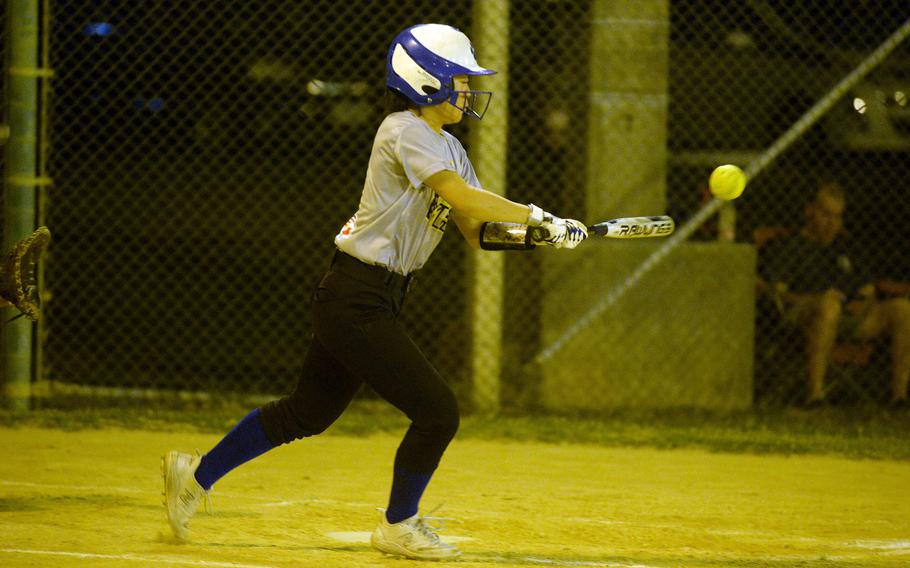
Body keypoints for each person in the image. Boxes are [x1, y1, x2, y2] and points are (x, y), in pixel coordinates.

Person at [161, 23, 587, 561]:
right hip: (355, 296)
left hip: (376, 297)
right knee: (438, 413)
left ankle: (194, 477)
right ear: (425, 80)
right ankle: (399, 525)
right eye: (458, 79)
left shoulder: (452, 149)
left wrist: (540, 236)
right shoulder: (403, 130)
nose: (467, 90)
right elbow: (463, 198)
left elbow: (477, 232)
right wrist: (540, 214)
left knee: (307, 413)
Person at [759, 181, 910, 408]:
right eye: (825, 215)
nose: (832, 223)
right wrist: (815, 300)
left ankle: (899, 397)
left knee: (902, 308)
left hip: (851, 317)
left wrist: (863, 304)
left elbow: (867, 291)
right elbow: (777, 294)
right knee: (829, 306)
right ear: (809, 211)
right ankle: (816, 396)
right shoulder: (790, 246)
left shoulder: (847, 246)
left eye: (837, 217)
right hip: (806, 316)